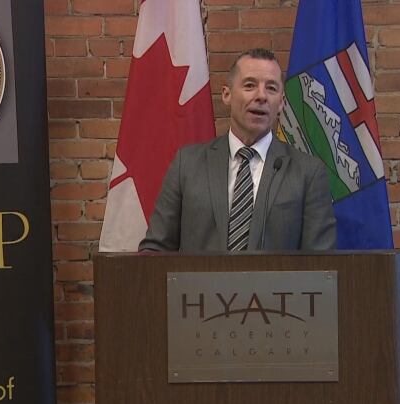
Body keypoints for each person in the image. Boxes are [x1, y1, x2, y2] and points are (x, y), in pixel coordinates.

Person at [139, 48, 336, 252]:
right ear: (227, 95)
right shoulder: (187, 164)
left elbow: (320, 263)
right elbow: (156, 249)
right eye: (250, 85)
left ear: (281, 103)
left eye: (271, 88)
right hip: (200, 285)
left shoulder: (308, 172)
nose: (261, 96)